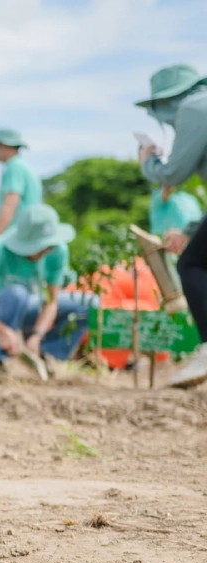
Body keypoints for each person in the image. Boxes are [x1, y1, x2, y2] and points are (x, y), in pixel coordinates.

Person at [0, 204, 95, 381]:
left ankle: (45, 353)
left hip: (27, 305)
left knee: (90, 304)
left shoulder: (58, 251)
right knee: (17, 294)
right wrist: (1, 330)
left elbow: (52, 302)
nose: (43, 251)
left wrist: (37, 336)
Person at [135, 63, 207, 389]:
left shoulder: (195, 106)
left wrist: (149, 161)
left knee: (193, 264)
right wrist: (191, 231)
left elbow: (172, 174)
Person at [0, 129, 43, 252]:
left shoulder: (14, 167)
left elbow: (10, 205)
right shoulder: (23, 166)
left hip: (18, 238)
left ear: (4, 147)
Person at [147, 185, 202, 253]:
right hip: (161, 249)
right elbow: (166, 190)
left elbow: (199, 228)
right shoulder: (159, 198)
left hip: (186, 250)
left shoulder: (191, 200)